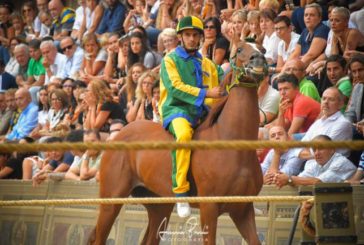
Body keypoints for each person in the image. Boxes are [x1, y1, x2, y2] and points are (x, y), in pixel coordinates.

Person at [159, 16, 224, 218]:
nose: (192, 39)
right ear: (180, 37)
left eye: (195, 35)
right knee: (184, 136)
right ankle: (180, 193)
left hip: (203, 112)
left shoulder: (209, 64)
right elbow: (175, 88)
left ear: (201, 38)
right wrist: (206, 94)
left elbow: (225, 81)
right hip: (176, 110)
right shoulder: (169, 60)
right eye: (187, 35)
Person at [274, 135, 356, 188]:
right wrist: (281, 178)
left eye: (320, 148)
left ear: (332, 149)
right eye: (314, 149)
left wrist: (289, 179)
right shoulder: (313, 163)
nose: (316, 153)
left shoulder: (340, 162)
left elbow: (319, 182)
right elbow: (299, 179)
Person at [295, 87, 353, 159]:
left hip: (333, 167)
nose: (325, 102)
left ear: (341, 104)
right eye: (324, 98)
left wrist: (307, 152)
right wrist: (310, 153)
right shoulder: (319, 122)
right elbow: (300, 148)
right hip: (313, 165)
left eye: (331, 99)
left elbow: (322, 151)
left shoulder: (343, 123)